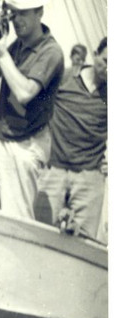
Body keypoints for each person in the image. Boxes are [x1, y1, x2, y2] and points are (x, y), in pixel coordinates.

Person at [0, 0, 64, 221]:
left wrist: (3, 56)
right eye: (13, 14)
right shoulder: (17, 46)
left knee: (17, 221)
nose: (17, 19)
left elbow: (24, 93)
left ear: (40, 12)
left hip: (25, 144)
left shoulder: (50, 51)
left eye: (23, 13)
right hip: (1, 138)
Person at [36, 37, 107, 240]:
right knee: (42, 237)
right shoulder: (64, 78)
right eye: (105, 61)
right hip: (53, 172)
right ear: (94, 55)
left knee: (84, 246)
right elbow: (34, 108)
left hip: (89, 178)